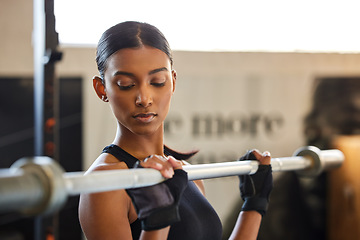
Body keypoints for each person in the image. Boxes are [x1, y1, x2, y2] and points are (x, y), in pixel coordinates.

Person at [78, 21, 273, 240]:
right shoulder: (105, 184)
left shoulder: (188, 175)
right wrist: (158, 221)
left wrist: (254, 205)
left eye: (157, 81)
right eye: (126, 84)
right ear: (101, 89)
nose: (144, 99)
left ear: (172, 82)